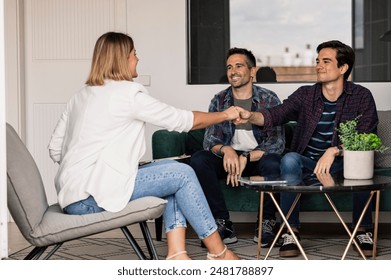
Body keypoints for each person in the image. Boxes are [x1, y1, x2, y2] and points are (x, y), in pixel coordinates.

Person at [47, 31, 240, 260]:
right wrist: (226, 114)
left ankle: (177, 254)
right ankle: (219, 253)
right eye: (134, 54)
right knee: (183, 173)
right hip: (91, 198)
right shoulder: (127, 93)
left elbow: (55, 149)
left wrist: (103, 164)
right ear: (122, 59)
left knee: (171, 172)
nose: (137, 59)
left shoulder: (79, 96)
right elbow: (183, 121)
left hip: (72, 196)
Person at [234, 40, 378, 258]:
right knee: (290, 159)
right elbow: (276, 114)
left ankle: (362, 230)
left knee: (360, 163)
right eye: (317, 60)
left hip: (342, 165)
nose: (318, 65)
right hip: (307, 165)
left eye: (326, 61)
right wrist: (250, 115)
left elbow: (367, 136)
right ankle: (290, 231)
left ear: (343, 67)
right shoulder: (305, 95)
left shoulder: (361, 96)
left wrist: (335, 151)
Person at [190, 47, 285, 248]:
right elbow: (210, 140)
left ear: (252, 72)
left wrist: (247, 157)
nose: (233, 71)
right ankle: (222, 223)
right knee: (199, 159)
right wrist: (228, 151)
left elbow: (276, 143)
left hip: (257, 159)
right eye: (229, 67)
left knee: (275, 162)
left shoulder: (269, 99)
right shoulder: (219, 100)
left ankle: (266, 223)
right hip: (228, 160)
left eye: (239, 66)